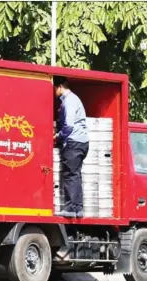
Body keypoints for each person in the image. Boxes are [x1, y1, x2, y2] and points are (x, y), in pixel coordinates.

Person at [53, 76, 89, 218]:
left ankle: (70, 208)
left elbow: (69, 125)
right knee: (76, 175)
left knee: (70, 175)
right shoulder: (74, 99)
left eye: (55, 88)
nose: (54, 91)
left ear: (60, 87)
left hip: (74, 142)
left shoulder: (69, 101)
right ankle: (78, 209)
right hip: (82, 142)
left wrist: (58, 136)